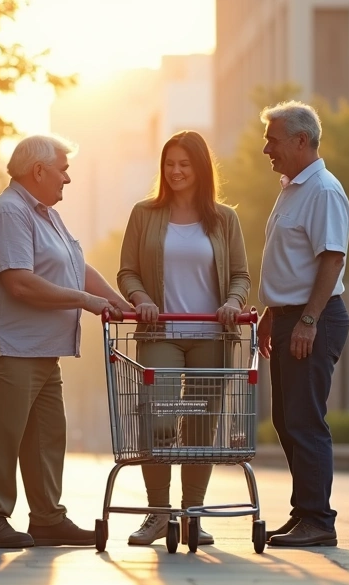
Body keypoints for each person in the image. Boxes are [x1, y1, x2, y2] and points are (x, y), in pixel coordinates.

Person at [0, 134, 133, 549]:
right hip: (7, 345)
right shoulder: (10, 214)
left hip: (39, 347)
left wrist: (117, 301)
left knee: (47, 435)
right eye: (62, 169)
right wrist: (87, 302)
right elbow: (19, 284)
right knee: (5, 433)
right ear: (38, 171)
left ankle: (47, 518)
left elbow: (75, 265)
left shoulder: (44, 214)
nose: (67, 179)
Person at [116, 130, 250, 548]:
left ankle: (193, 513)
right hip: (162, 333)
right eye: (170, 163)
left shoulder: (224, 219)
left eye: (184, 164)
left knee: (200, 426)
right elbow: (127, 271)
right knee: (158, 419)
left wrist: (232, 301)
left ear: (200, 169)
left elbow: (242, 275)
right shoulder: (145, 213)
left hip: (212, 336)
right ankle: (158, 515)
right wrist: (140, 298)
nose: (175, 171)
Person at [254, 102, 349, 548]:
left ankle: (318, 520)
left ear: (300, 140)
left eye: (272, 140)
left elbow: (331, 259)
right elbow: (290, 261)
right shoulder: (292, 188)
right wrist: (273, 313)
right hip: (290, 317)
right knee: (286, 419)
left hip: (315, 318)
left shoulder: (323, 191)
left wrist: (307, 320)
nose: (266, 148)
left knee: (305, 420)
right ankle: (303, 513)